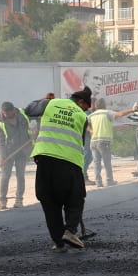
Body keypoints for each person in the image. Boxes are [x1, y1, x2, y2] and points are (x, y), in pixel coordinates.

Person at [31, 87, 90, 252]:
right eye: (85, 107)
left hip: (45, 160)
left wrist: (45, 101)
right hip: (69, 161)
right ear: (80, 102)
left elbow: (29, 110)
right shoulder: (81, 116)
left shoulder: (51, 103)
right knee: (76, 199)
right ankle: (70, 231)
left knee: (50, 202)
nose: (85, 110)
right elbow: (81, 142)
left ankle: (58, 242)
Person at [88, 96, 135, 187]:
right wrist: (132, 110)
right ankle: (109, 181)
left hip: (93, 142)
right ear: (104, 105)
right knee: (107, 162)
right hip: (103, 142)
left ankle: (98, 182)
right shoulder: (107, 113)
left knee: (97, 163)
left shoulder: (92, 115)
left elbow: (85, 123)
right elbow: (120, 114)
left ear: (96, 106)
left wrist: (90, 130)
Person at [0, 101, 32, 210]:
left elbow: (32, 124)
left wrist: (35, 132)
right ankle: (2, 201)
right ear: (2, 112)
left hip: (22, 151)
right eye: (5, 113)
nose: (7, 115)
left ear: (13, 110)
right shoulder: (0, 121)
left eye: (9, 113)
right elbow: (0, 140)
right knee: (5, 176)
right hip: (8, 153)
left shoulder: (22, 115)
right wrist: (2, 156)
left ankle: (19, 200)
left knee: (20, 176)